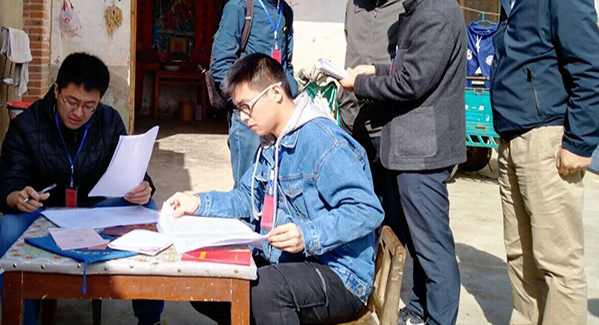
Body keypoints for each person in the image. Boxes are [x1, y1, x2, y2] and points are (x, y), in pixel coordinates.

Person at [167, 53, 383, 325]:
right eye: (238, 109)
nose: (243, 117)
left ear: (276, 93)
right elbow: (247, 197)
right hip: (291, 262)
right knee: (207, 282)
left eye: (247, 106)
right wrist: (198, 202)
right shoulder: (271, 142)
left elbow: (366, 209)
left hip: (340, 274)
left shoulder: (323, 141)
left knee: (267, 291)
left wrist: (307, 235)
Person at [479, 0, 599, 325]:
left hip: (547, 139)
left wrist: (579, 142)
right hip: (512, 137)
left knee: (557, 258)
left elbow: (591, 69)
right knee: (520, 252)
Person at [340, 0, 466, 325]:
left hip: (422, 150)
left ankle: (438, 320)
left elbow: (411, 83)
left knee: (432, 245)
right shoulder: (424, 6)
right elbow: (406, 69)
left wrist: (362, 84)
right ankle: (420, 310)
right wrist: (374, 70)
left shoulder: (435, 14)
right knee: (414, 236)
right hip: (412, 147)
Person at [0, 52, 163, 325]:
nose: (79, 113)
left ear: (100, 100)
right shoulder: (27, 125)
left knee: (147, 208)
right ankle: (19, 319)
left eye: (89, 106)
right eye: (72, 102)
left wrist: (143, 187)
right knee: (8, 226)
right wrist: (16, 197)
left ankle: (150, 319)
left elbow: (133, 172)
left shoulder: (109, 121)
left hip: (93, 210)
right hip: (42, 211)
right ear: (56, 91)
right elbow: (7, 182)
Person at [210, 0, 298, 189]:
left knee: (277, 187)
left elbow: (286, 64)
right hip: (249, 121)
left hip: (280, 117)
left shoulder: (285, 11)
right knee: (248, 189)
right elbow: (221, 67)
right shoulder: (240, 8)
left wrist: (291, 95)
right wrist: (245, 107)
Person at [337, 0, 404, 236]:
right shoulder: (355, 2)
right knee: (356, 196)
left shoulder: (406, 4)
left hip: (387, 120)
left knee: (390, 201)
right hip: (351, 117)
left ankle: (389, 257)